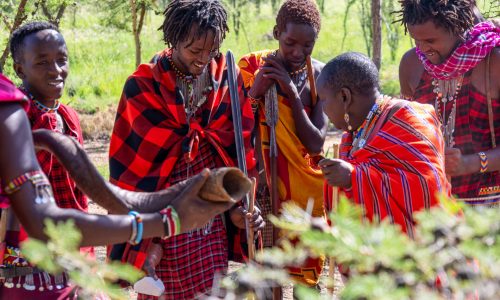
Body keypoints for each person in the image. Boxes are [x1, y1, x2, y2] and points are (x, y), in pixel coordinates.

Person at [0, 73, 235, 297]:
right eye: (42, 62)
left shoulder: (36, 111)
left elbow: (72, 201)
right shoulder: (9, 108)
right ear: (20, 68)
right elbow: (41, 221)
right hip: (25, 265)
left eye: (60, 60)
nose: (55, 70)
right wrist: (166, 223)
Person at [108, 0, 264, 298]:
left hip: (210, 213)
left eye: (212, 50)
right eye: (195, 51)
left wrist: (236, 205)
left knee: (211, 289)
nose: (204, 59)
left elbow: (237, 148)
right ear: (174, 40)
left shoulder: (225, 78)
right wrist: (143, 234)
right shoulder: (143, 87)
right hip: (162, 214)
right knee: (161, 286)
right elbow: (131, 169)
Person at [238, 0, 328, 288]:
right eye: (290, 43)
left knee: (306, 278)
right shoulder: (251, 68)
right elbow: (235, 128)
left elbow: (316, 142)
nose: (297, 52)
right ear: (277, 32)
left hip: (306, 190)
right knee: (265, 274)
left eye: (307, 46)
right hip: (264, 185)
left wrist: (289, 89)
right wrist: (255, 93)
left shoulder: (320, 75)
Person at [318, 52, 450, 238]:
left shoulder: (409, 119)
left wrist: (353, 177)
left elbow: (427, 188)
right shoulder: (355, 133)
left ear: (344, 96)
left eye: (323, 99)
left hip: (424, 252)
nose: (322, 109)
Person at [398, 0, 500, 205]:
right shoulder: (411, 65)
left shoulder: (494, 63)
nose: (423, 48)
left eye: (430, 40)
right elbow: (406, 134)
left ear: (458, 27)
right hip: (428, 200)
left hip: (488, 206)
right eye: (416, 40)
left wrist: (469, 163)